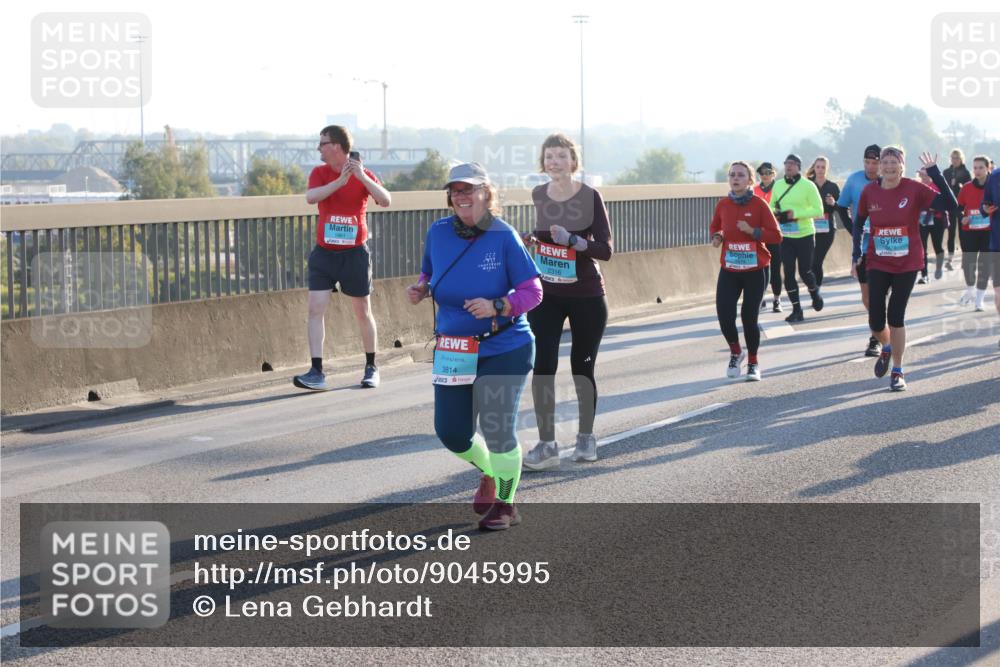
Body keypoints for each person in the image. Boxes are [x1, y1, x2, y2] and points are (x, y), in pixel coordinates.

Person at [406, 162, 542, 530]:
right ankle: (489, 470)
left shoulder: (504, 236)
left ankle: (506, 503)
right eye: (456, 190)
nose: (462, 196)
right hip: (454, 347)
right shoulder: (438, 232)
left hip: (504, 345)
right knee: (451, 432)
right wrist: (421, 287)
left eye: (470, 189)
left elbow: (533, 291)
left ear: (486, 192)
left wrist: (498, 305)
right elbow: (431, 273)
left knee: (497, 429)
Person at [521, 134, 613, 471]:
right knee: (543, 367)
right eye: (549, 157)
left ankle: (586, 437)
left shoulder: (590, 196)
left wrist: (573, 241)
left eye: (561, 156)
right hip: (548, 296)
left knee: (582, 367)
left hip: (587, 296)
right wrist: (533, 239)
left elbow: (605, 249)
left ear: (573, 162)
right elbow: (546, 236)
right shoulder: (539, 194)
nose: (554, 162)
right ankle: (547, 444)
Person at [293, 125, 392, 391]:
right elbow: (311, 197)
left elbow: (385, 200)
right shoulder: (319, 173)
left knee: (363, 311)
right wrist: (339, 182)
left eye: (322, 143)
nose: (319, 148)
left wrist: (361, 177)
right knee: (315, 308)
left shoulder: (362, 174)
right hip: (325, 253)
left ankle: (372, 367)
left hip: (354, 254)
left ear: (336, 145)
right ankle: (316, 371)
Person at [851, 147, 957, 391]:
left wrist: (934, 172)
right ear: (879, 166)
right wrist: (856, 253)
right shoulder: (870, 191)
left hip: (907, 263)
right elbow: (858, 223)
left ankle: (897, 371)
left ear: (902, 166)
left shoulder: (914, 188)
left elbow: (950, 204)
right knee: (876, 320)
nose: (889, 166)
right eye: (885, 162)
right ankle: (886, 346)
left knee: (896, 316)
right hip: (877, 260)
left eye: (894, 163)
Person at [711, 161, 782, 381]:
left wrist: (753, 231)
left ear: (750, 180)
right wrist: (718, 236)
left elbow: (776, 236)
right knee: (724, 315)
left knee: (748, 318)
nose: (735, 178)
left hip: (755, 269)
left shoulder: (759, 205)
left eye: (741, 175)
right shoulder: (723, 204)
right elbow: (716, 225)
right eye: (732, 175)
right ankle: (736, 352)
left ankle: (753, 362)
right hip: (730, 269)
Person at [836, 144, 883, 357]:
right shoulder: (855, 180)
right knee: (867, 298)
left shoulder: (889, 181)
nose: (871, 167)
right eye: (868, 162)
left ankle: (876, 338)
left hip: (886, 246)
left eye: (875, 163)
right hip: (863, 247)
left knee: (879, 295)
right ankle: (881, 328)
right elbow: (841, 206)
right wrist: (853, 229)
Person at [769, 154, 825, 322]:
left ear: (799, 167)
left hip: (805, 234)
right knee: (788, 272)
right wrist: (776, 214)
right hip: (785, 236)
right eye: (786, 163)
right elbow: (771, 205)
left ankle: (815, 293)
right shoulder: (778, 185)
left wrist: (796, 215)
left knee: (805, 271)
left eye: (792, 164)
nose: (789, 166)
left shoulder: (808, 186)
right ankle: (796, 309)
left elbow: (819, 210)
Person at [956, 155, 993, 310]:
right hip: (969, 231)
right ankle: (970, 290)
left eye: (981, 168)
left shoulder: (994, 186)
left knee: (985, 265)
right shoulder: (967, 187)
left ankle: (979, 300)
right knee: (968, 263)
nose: (977, 171)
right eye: (975, 167)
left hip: (989, 231)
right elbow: (958, 207)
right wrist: (963, 217)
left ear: (988, 168)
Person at [806, 157, 841, 288]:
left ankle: (816, 290)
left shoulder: (832, 187)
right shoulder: (807, 184)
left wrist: (834, 203)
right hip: (809, 227)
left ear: (827, 169)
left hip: (827, 229)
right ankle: (814, 289)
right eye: (818, 167)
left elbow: (842, 208)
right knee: (810, 262)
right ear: (814, 168)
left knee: (817, 261)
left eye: (823, 167)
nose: (820, 170)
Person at [754, 162, 783, 312]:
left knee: (776, 268)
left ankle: (777, 299)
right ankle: (761, 298)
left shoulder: (779, 188)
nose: (765, 175)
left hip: (774, 233)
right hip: (759, 235)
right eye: (762, 173)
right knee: (759, 268)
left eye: (768, 172)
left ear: (774, 174)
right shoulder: (754, 190)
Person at [915, 167, 947, 284]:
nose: (924, 177)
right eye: (922, 175)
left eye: (926, 175)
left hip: (937, 219)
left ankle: (939, 267)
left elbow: (945, 201)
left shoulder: (937, 186)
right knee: (922, 248)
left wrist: (935, 206)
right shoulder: (917, 187)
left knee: (937, 245)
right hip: (922, 220)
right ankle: (924, 275)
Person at [979, 165, 1000, 348]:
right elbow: (984, 205)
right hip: (998, 242)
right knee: (999, 291)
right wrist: (986, 209)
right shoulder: (995, 176)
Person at [943, 149, 972, 271]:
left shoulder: (966, 173)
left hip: (962, 206)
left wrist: (961, 187)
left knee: (963, 234)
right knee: (951, 234)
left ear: (961, 159)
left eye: (957, 158)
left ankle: (965, 260)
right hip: (950, 206)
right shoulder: (946, 172)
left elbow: (970, 188)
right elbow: (942, 188)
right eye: (953, 158)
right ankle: (949, 260)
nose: (954, 160)